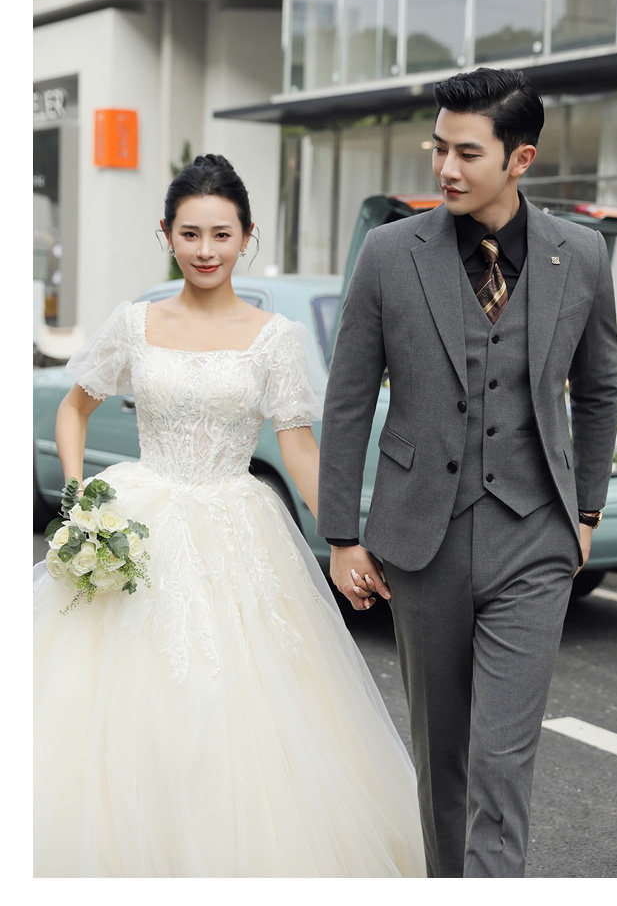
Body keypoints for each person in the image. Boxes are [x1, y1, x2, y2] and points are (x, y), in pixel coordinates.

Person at [33, 154, 425, 878]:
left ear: (247, 236)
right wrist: (83, 494)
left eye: (221, 234)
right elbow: (74, 407)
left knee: (240, 705)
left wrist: (345, 539)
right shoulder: (135, 323)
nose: (206, 250)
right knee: (120, 703)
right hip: (140, 520)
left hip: (237, 528)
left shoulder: (274, 337)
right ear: (166, 234)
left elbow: (299, 447)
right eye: (190, 234)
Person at [317, 68, 617, 878]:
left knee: (501, 760)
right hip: (423, 538)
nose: (446, 168)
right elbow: (348, 397)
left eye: (467, 152)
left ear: (520, 158)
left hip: (535, 536)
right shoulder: (390, 254)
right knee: (442, 756)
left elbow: (599, 390)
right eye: (439, 148)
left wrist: (586, 514)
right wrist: (342, 534)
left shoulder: (581, 255)